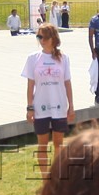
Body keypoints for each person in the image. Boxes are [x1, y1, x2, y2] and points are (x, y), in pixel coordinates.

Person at [22, 24, 74, 175]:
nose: (41, 40)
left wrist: (71, 106)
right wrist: (29, 107)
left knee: (59, 144)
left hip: (59, 106)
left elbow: (67, 83)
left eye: (44, 37)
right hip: (40, 107)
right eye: (39, 37)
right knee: (42, 145)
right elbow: (30, 85)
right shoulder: (33, 58)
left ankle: (57, 178)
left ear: (53, 38)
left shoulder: (63, 58)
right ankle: (46, 179)